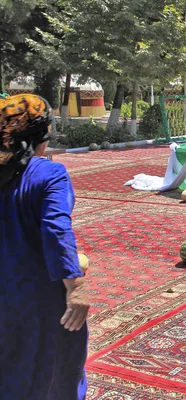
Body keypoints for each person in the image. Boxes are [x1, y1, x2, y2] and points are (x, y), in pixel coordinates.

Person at [0, 94, 90, 399]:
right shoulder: (49, 173)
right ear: (41, 138)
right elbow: (55, 230)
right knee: (54, 375)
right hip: (39, 301)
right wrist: (75, 286)